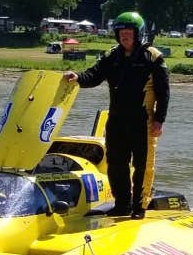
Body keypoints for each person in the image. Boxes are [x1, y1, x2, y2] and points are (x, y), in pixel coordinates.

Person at [63, 11, 169, 217]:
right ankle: (122, 204)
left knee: (142, 166)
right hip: (117, 121)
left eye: (129, 32)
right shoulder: (112, 56)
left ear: (138, 34)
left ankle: (139, 207)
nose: (125, 36)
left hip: (143, 121)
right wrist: (77, 77)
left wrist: (159, 121)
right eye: (121, 32)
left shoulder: (153, 57)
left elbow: (164, 93)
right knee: (116, 163)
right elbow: (93, 76)